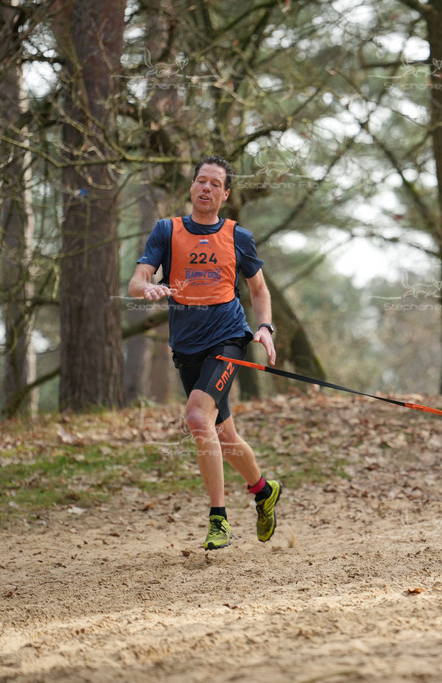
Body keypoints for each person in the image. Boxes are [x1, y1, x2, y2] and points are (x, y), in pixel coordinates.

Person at [128, 155, 281, 550]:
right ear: (192, 188)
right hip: (186, 347)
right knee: (222, 434)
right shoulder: (167, 231)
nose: (206, 188)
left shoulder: (237, 237)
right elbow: (138, 278)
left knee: (198, 417)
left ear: (225, 194)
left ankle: (219, 519)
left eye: (215, 183)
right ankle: (264, 491)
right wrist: (146, 287)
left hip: (228, 337)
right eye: (201, 181)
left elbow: (259, 290)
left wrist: (264, 329)